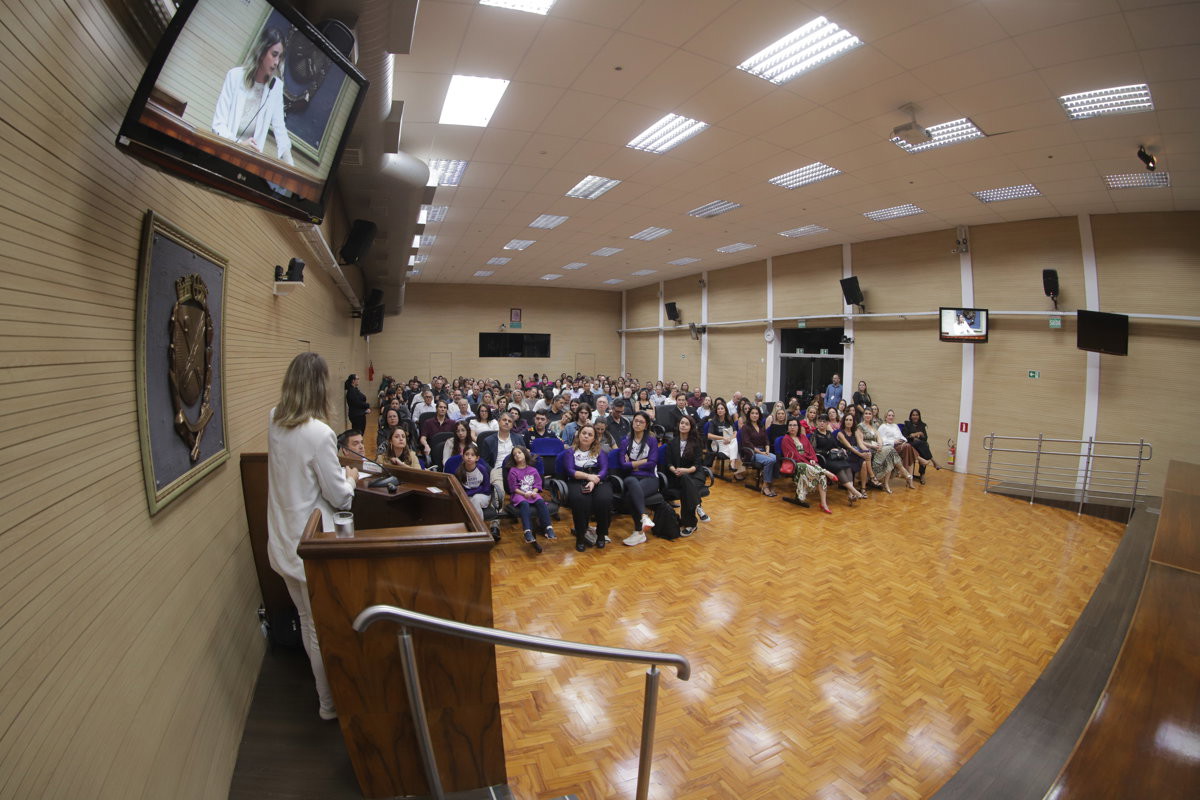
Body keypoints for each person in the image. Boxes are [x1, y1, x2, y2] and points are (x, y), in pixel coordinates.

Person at [266, 352, 356, 721]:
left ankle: (325, 702)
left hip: (283, 538)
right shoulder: (320, 433)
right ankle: (330, 703)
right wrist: (349, 478)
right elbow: (339, 496)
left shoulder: (274, 418)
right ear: (320, 387)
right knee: (322, 628)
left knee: (306, 621)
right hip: (313, 542)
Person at [212, 27, 294, 165]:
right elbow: (218, 125)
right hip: (224, 154)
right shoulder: (235, 76)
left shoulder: (276, 87)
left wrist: (291, 169)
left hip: (248, 163)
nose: (276, 62)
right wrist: (239, 145)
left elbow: (281, 131)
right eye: (274, 54)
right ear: (262, 52)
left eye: (280, 57)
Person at [556, 424, 613, 552]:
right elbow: (570, 471)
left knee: (604, 500)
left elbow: (604, 470)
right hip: (577, 480)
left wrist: (594, 481)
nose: (586, 436)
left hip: (598, 480)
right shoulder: (570, 452)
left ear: (594, 439)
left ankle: (601, 535)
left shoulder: (600, 452)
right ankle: (580, 536)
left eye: (590, 434)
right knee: (581, 501)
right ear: (579, 435)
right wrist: (589, 477)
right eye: (584, 433)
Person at [618, 412, 660, 547]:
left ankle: (639, 532)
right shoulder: (625, 441)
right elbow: (623, 466)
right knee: (630, 481)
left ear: (646, 425)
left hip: (650, 478)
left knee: (631, 495)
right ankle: (643, 517)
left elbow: (652, 463)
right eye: (635, 421)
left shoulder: (652, 441)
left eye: (641, 422)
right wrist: (643, 461)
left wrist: (633, 464)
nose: (637, 424)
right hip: (632, 478)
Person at [780, 418, 836, 513]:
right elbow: (795, 456)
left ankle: (823, 504)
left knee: (822, 476)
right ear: (787, 427)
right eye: (790, 425)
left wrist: (813, 459)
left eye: (795, 425)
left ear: (798, 427)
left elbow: (811, 450)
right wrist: (808, 460)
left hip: (807, 462)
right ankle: (825, 471)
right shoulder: (785, 439)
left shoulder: (803, 437)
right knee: (811, 468)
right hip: (796, 464)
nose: (792, 427)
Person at [507, 445, 555, 548]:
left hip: (531, 493)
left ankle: (548, 528)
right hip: (519, 494)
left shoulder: (533, 470)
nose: (517, 455)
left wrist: (534, 492)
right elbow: (513, 488)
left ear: (525, 454)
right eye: (514, 454)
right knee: (524, 503)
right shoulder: (513, 471)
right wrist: (524, 494)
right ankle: (527, 531)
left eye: (519, 452)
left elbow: (538, 484)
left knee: (541, 502)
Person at [666, 415, 707, 535]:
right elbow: (669, 462)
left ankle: (690, 523)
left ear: (691, 427)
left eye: (686, 424)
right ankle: (697, 506)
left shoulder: (696, 442)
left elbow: (697, 464)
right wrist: (675, 470)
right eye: (682, 423)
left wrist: (686, 471)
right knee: (685, 483)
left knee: (686, 484)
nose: (683, 425)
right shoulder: (672, 442)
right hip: (677, 475)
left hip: (694, 475)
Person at [812, 415, 866, 504]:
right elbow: (814, 450)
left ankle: (850, 494)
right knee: (839, 468)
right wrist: (828, 452)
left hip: (834, 457)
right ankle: (854, 491)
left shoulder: (829, 433)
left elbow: (835, 444)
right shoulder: (815, 435)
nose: (822, 423)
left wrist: (840, 449)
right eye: (820, 421)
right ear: (817, 423)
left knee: (847, 466)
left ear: (827, 424)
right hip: (824, 459)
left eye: (824, 422)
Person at [859, 408, 913, 492]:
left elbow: (879, 438)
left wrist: (879, 444)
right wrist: (875, 445)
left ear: (872, 415)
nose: (868, 415)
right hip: (867, 448)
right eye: (866, 413)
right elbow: (860, 441)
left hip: (877, 447)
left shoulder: (873, 427)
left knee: (890, 454)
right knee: (890, 449)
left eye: (869, 413)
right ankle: (904, 472)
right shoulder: (860, 426)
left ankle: (887, 483)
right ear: (863, 415)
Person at [479, 411, 525, 503]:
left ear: (512, 425)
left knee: (526, 490)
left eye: (509, 421)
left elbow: (524, 456)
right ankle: (497, 514)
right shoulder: (488, 440)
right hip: (498, 470)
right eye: (504, 420)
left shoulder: (518, 438)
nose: (507, 422)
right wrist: (492, 471)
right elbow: (483, 461)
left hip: (517, 469)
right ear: (499, 422)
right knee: (498, 494)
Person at [738, 406, 777, 497]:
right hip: (751, 453)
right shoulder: (745, 427)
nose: (755, 415)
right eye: (752, 413)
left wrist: (767, 450)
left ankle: (766, 480)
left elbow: (766, 440)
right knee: (770, 460)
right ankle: (766, 485)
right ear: (749, 415)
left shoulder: (761, 426)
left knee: (775, 457)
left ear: (759, 415)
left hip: (763, 451)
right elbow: (747, 443)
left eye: (757, 413)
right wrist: (761, 452)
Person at [706, 398, 743, 479]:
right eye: (718, 409)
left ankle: (732, 462)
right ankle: (735, 469)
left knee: (735, 440)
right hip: (717, 443)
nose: (720, 410)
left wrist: (730, 439)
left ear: (725, 410)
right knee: (736, 450)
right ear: (716, 411)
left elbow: (735, 432)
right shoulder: (713, 421)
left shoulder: (729, 421)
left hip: (728, 442)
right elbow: (709, 435)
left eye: (722, 408)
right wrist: (723, 438)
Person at [454, 443, 493, 518]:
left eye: (472, 455)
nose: (469, 457)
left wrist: (471, 493)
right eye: (467, 454)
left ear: (477, 458)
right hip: (467, 496)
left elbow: (487, 489)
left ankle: (479, 527)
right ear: (463, 457)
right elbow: (459, 490)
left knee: (475, 499)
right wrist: (468, 495)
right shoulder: (459, 471)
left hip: (483, 496)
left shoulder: (482, 469)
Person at [902, 408, 941, 483]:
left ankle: (922, 474)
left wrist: (921, 434)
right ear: (910, 416)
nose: (915, 416)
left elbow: (925, 438)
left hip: (920, 446)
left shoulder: (922, 425)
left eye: (917, 415)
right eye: (913, 415)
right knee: (924, 445)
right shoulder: (907, 424)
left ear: (919, 416)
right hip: (910, 445)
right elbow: (904, 437)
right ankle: (933, 462)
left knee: (924, 446)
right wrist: (913, 435)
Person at [838, 412, 874, 494]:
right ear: (844, 421)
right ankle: (871, 477)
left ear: (853, 422)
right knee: (863, 458)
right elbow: (849, 447)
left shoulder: (855, 432)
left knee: (864, 463)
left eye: (850, 420)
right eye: (846, 420)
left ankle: (863, 488)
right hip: (846, 455)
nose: (848, 421)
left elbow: (860, 444)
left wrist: (867, 452)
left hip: (855, 453)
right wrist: (861, 454)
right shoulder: (840, 433)